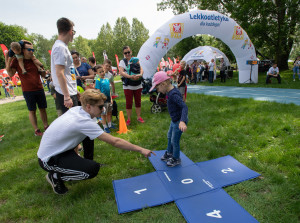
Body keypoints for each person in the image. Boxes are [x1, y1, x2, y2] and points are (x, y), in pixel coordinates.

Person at [37, 89, 155, 195]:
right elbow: (115, 141)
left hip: (59, 151)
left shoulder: (77, 110)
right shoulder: (83, 121)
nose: (103, 109)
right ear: (88, 107)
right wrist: (141, 149)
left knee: (90, 135)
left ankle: (80, 163)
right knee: (91, 170)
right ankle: (55, 176)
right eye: (100, 107)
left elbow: (69, 136)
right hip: (48, 159)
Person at [6, 41, 49, 136]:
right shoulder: (17, 61)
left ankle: (46, 126)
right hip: (28, 91)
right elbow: (10, 73)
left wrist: (42, 67)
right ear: (23, 50)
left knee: (43, 108)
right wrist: (8, 58)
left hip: (39, 88)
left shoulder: (34, 60)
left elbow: (43, 75)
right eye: (29, 50)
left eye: (32, 49)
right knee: (32, 110)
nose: (32, 51)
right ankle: (37, 130)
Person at [149, 71, 188, 167]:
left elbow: (184, 107)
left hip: (179, 121)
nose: (157, 91)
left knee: (174, 140)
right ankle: (169, 153)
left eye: (157, 88)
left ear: (163, 84)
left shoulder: (173, 94)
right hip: (174, 120)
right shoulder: (169, 91)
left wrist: (182, 121)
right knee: (169, 136)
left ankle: (176, 158)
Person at [51, 17, 78, 113]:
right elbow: (59, 73)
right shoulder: (60, 47)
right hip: (66, 94)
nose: (73, 35)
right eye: (74, 32)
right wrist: (66, 96)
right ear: (70, 31)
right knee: (72, 124)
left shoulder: (62, 47)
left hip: (70, 91)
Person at [119, 46, 144, 126]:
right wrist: (130, 77)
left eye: (128, 52)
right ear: (123, 54)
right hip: (128, 85)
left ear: (131, 52)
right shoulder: (122, 62)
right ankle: (129, 119)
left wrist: (140, 74)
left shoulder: (136, 60)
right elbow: (121, 72)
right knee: (129, 103)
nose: (127, 54)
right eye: (125, 53)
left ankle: (139, 117)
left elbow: (141, 69)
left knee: (138, 101)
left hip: (138, 84)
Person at [95, 65, 114, 133]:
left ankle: (109, 125)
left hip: (108, 99)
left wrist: (111, 98)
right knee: (103, 114)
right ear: (97, 73)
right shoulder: (98, 80)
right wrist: (100, 100)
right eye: (100, 72)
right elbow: (98, 91)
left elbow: (109, 90)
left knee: (109, 112)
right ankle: (105, 127)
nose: (102, 73)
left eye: (102, 71)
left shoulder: (106, 80)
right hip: (103, 101)